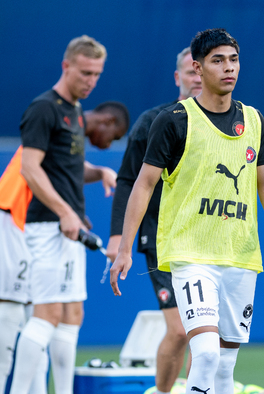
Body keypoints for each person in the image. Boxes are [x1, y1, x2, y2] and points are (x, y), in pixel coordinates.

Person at [109, 28, 264, 394]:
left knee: (225, 366)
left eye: (234, 60)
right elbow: (141, 183)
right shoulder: (172, 120)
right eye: (218, 60)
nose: (229, 68)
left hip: (240, 255)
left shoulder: (254, 120)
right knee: (205, 353)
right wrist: (125, 245)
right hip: (191, 254)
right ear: (198, 67)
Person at [0, 100, 128, 394]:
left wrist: (88, 186)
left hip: (29, 221)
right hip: (12, 214)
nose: (108, 144)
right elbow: (36, 168)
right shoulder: (59, 122)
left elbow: (64, 173)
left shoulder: (71, 131)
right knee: (13, 311)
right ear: (107, 121)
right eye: (113, 136)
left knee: (38, 315)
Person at [7, 35, 118, 394]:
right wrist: (65, 212)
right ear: (66, 66)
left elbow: (67, 166)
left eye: (97, 74)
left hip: (69, 230)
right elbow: (31, 168)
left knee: (73, 315)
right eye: (85, 72)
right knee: (47, 315)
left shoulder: (74, 111)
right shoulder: (44, 108)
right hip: (47, 227)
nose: (91, 81)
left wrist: (99, 171)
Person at [105, 47, 201, 394]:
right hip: (161, 238)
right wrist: (118, 237)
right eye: (190, 72)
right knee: (179, 331)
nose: (197, 78)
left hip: (209, 240)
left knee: (207, 334)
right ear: (178, 78)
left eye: (201, 70)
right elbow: (129, 180)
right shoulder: (155, 120)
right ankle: (162, 392)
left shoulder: (232, 121)